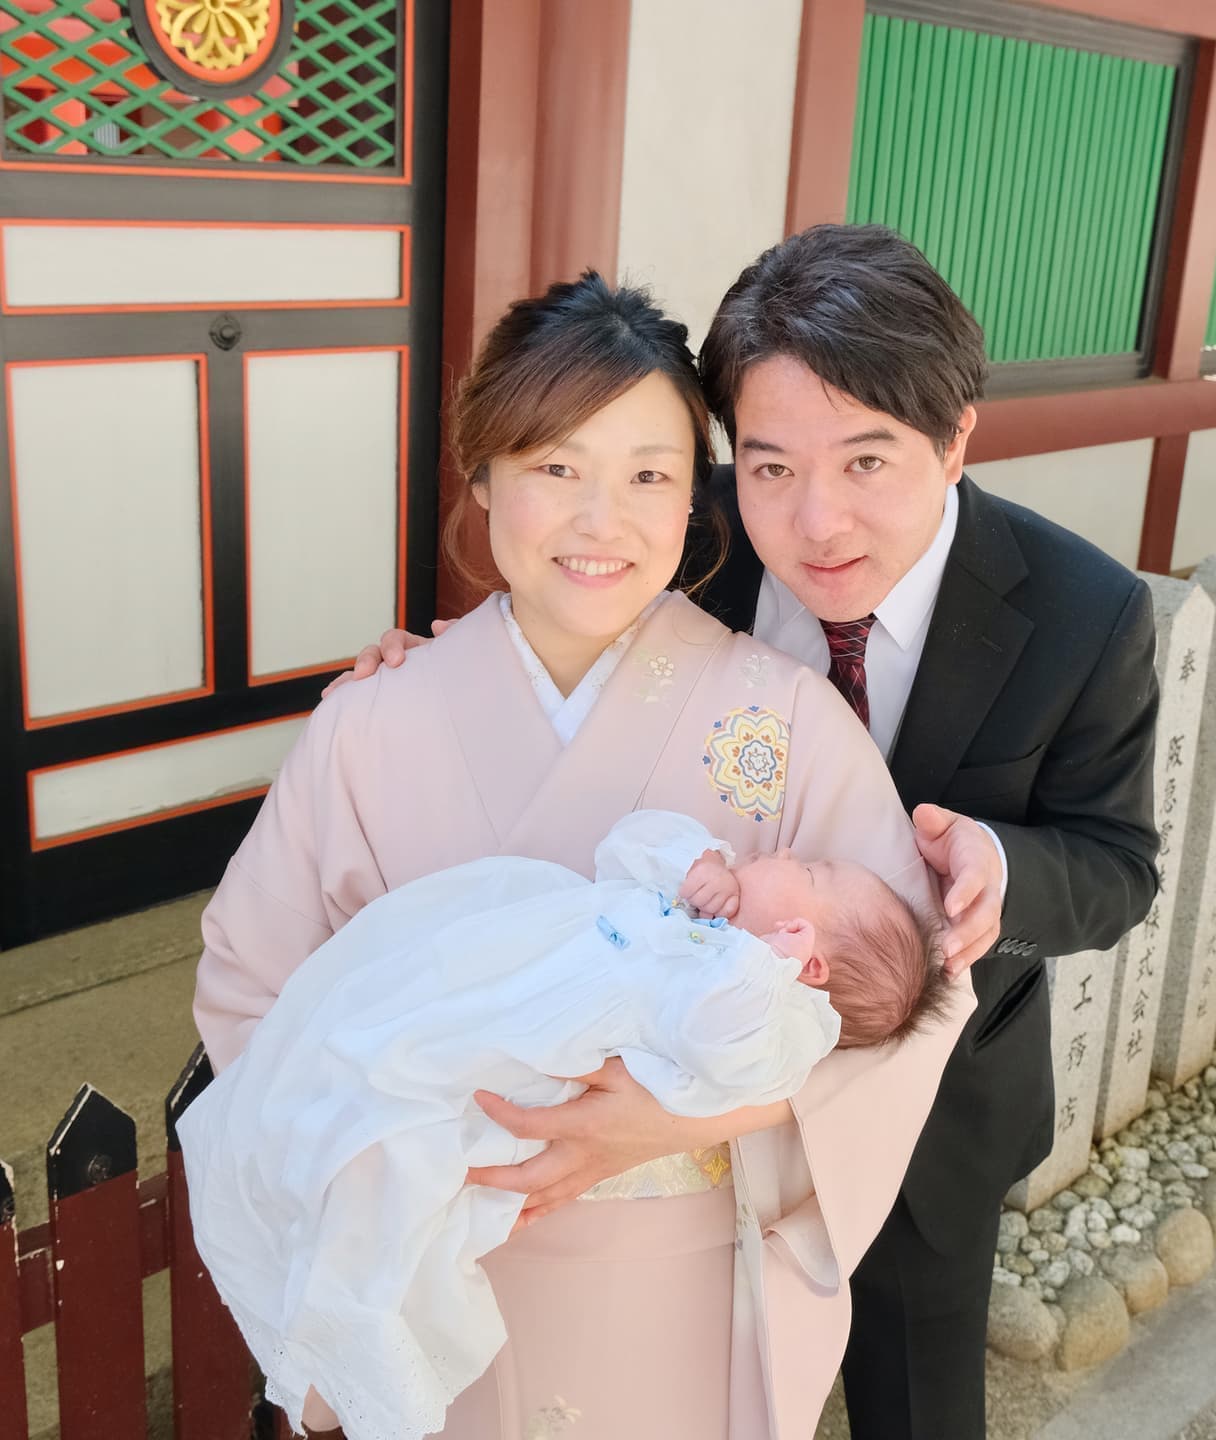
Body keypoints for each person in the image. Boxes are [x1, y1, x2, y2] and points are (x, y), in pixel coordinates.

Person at [346, 224, 1161, 1437]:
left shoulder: (1086, 611)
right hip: (668, 1108)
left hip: (921, 1106)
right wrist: (442, 675)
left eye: (868, 462)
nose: (816, 522)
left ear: (956, 435)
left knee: (918, 1405)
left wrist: (1000, 864)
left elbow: (1117, 865)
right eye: (771, 465)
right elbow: (549, 640)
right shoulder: (686, 543)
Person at [193, 269, 978, 1440]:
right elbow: (251, 992)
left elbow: (904, 998)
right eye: (556, 468)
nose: (601, 520)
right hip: (424, 1274)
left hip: (680, 1275)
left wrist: (692, 1119)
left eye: (650, 476)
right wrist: (372, 1170)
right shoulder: (374, 719)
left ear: (692, 497)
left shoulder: (787, 715)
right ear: (483, 475)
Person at [181, 810, 950, 1440]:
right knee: (386, 1043)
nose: (787, 850)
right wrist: (701, 865)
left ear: (806, 959)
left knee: (402, 1133)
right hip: (518, 967)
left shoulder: (779, 1017)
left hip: (547, 1062)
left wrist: (759, 968)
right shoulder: (697, 915)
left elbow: (729, 1051)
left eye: (811, 874)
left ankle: (353, 1313)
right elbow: (623, 844)